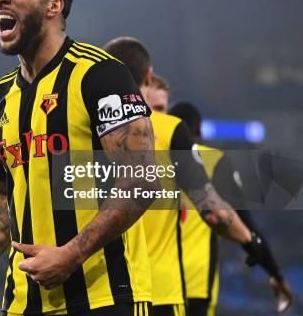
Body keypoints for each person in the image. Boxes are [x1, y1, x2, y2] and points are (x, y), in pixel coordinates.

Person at [0, 0, 158, 315]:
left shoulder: (100, 74)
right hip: (23, 302)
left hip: (105, 296)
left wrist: (71, 254)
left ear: (53, 7)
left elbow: (143, 179)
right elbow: (1, 198)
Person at [104, 37, 274, 316]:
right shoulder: (171, 131)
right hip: (157, 293)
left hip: (100, 295)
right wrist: (249, 240)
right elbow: (213, 211)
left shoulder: (82, 130)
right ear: (148, 76)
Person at [169, 101, 293, 316]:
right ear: (198, 128)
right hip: (195, 285)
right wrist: (276, 275)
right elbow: (246, 225)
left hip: (156, 287)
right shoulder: (214, 161)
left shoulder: (151, 162)